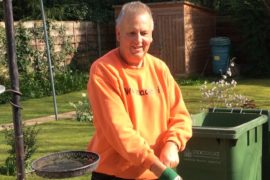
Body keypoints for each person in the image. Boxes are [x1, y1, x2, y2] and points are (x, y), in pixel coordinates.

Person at [87, 1, 192, 180]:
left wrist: (173, 143)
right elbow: (119, 131)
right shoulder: (104, 70)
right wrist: (162, 171)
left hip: (154, 172)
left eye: (144, 33)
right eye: (131, 33)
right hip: (115, 174)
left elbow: (180, 116)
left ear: (151, 35)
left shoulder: (159, 68)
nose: (138, 40)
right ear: (118, 34)